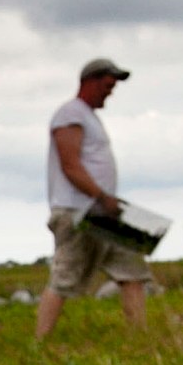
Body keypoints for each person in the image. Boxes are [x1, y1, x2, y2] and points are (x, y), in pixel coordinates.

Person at [37, 58, 157, 342]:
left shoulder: (88, 116)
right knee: (65, 277)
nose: (110, 92)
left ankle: (139, 337)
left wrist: (107, 201)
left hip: (104, 212)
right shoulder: (70, 115)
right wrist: (101, 196)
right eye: (107, 86)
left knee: (132, 271)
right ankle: (40, 342)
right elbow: (70, 164)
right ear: (90, 81)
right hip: (79, 212)